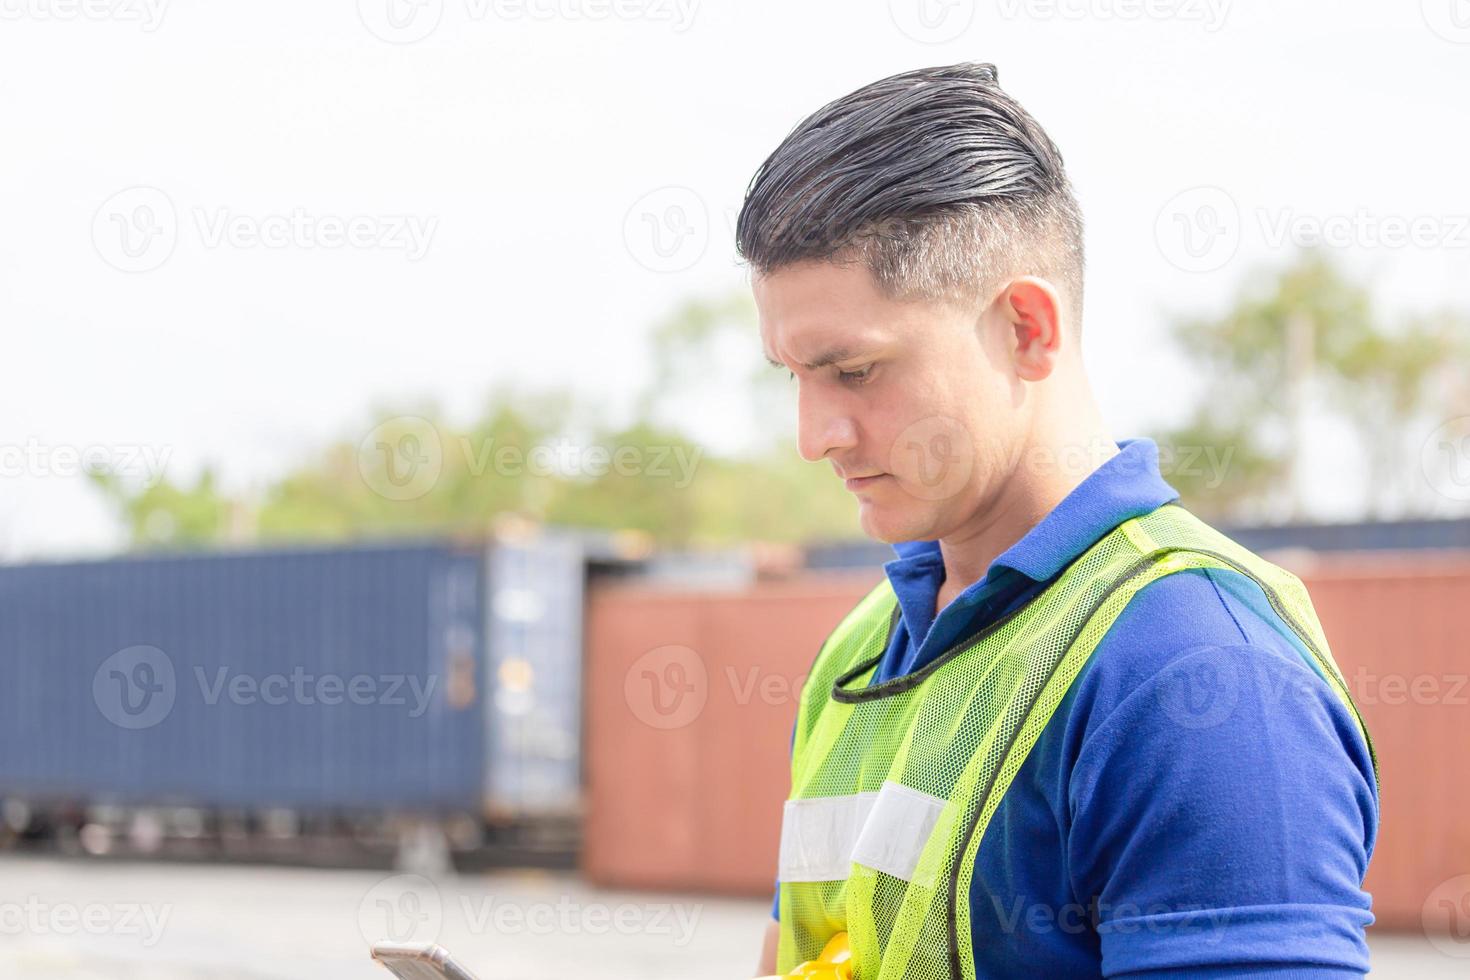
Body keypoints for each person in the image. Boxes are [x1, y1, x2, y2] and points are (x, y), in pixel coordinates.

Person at [737, 63, 1379, 979]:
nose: (814, 435)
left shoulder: (1199, 672)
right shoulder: (858, 655)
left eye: (854, 371)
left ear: (1027, 329)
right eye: (790, 375)